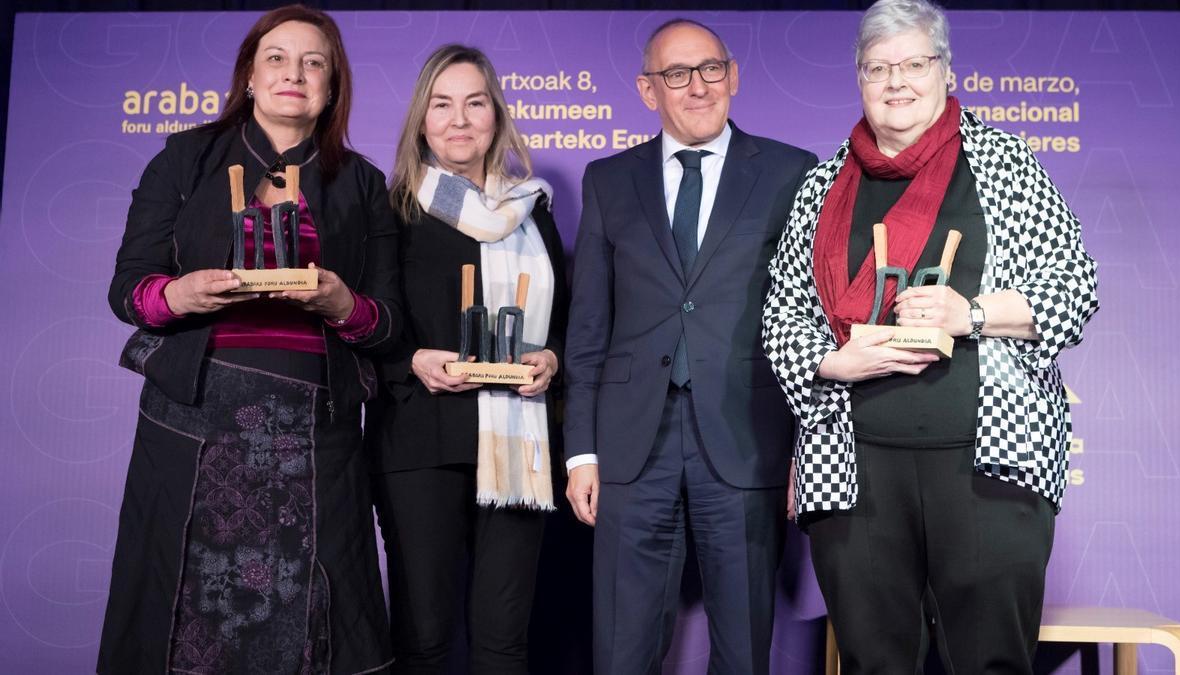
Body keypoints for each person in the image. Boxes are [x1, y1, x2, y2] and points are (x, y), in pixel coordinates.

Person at [762, 0, 1099, 672]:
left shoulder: (1003, 165)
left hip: (989, 465)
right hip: (853, 465)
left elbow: (1075, 291)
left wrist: (967, 313)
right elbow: (780, 315)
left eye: (915, 63)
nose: (897, 81)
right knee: (873, 661)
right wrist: (834, 359)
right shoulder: (825, 184)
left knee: (990, 660)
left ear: (946, 72)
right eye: (878, 67)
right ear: (859, 80)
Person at [99, 5, 400, 673]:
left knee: (313, 627)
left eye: (313, 62)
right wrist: (178, 294)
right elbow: (128, 289)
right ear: (250, 76)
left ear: (331, 85)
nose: (294, 73)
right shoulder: (186, 156)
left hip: (316, 431)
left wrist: (341, 302)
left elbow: (387, 322)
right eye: (277, 58)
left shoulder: (361, 183)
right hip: (194, 419)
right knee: (184, 619)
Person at [564, 18, 817, 675]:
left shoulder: (793, 172)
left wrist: (804, 446)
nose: (697, 86)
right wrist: (582, 450)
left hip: (747, 435)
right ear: (650, 90)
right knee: (621, 649)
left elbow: (810, 319)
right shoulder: (608, 180)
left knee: (742, 648)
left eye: (709, 69)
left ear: (733, 75)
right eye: (677, 74)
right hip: (628, 444)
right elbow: (589, 326)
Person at [365, 44, 567, 674]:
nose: (459, 119)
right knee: (423, 639)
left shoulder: (534, 211)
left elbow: (563, 320)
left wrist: (553, 360)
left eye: (474, 103)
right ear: (421, 120)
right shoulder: (392, 207)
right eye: (441, 104)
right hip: (421, 442)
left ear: (496, 116)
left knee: (504, 641)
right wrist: (410, 362)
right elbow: (368, 323)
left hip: (518, 444)